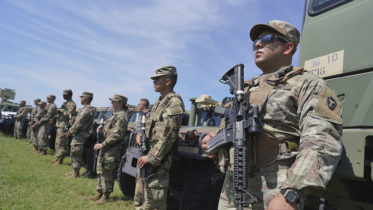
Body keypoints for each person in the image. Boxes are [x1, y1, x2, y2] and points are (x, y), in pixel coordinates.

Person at [201, 20, 343, 210]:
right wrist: (214, 141)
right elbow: (230, 131)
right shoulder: (243, 89)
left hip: (276, 188)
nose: (258, 45)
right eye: (255, 42)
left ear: (288, 47)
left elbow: (322, 141)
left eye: (267, 39)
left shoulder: (308, 84)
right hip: (233, 186)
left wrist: (291, 192)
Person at [133, 66, 185, 209]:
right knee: (140, 198)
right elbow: (149, 125)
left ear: (168, 81)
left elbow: (170, 134)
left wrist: (152, 157)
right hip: (146, 157)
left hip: (157, 162)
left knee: (153, 202)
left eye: (157, 79)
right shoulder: (158, 102)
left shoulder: (173, 102)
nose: (153, 81)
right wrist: (139, 135)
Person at [88, 94, 129, 204]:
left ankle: (106, 195)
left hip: (112, 147)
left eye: (114, 101)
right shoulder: (114, 115)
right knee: (100, 170)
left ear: (120, 103)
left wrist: (103, 144)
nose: (111, 103)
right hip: (107, 146)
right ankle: (99, 192)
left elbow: (117, 134)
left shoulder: (122, 116)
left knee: (107, 170)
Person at [66, 92, 95, 178]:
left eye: (82, 97)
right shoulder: (86, 109)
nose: (80, 99)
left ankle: (76, 173)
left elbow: (79, 122)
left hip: (81, 134)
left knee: (76, 152)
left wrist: (70, 131)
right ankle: (75, 171)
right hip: (80, 134)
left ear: (86, 98)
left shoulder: (87, 110)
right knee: (75, 152)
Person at [51, 89, 77, 165]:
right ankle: (57, 158)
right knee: (57, 142)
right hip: (60, 124)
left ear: (69, 95)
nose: (63, 95)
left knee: (61, 143)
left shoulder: (72, 104)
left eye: (65, 94)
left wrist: (61, 110)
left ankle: (60, 159)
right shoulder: (65, 103)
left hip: (64, 125)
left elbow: (70, 115)